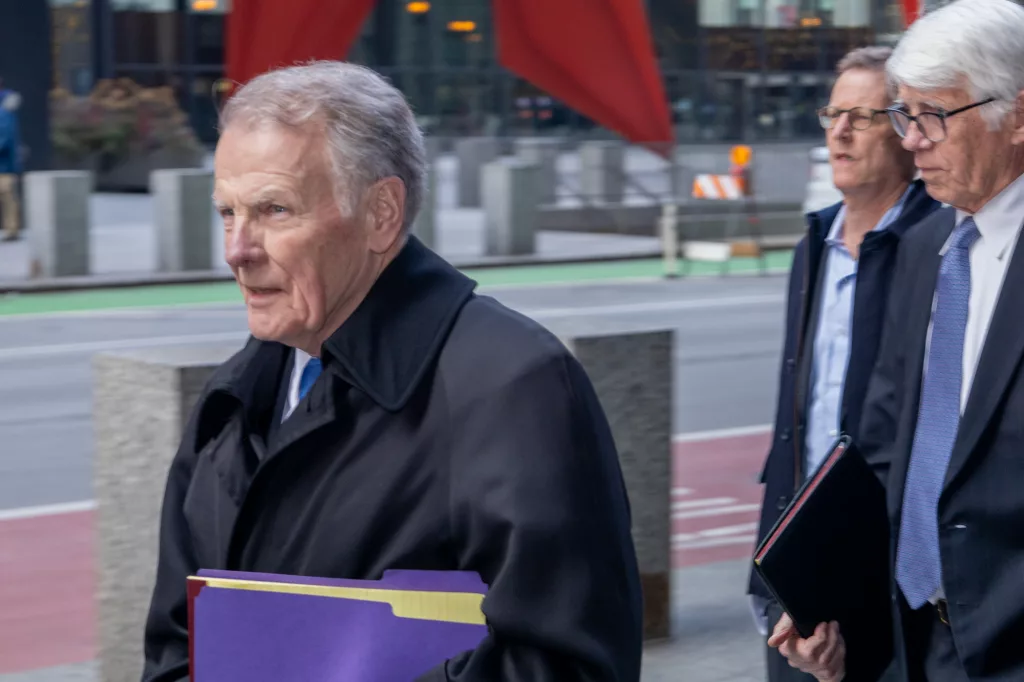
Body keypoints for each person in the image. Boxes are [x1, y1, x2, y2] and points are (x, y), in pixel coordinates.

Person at [141, 61, 643, 682]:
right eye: (227, 212)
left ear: (380, 212)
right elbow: (174, 648)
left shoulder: (514, 384)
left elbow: (565, 664)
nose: (237, 250)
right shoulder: (234, 396)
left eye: (273, 210)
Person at [771, 1, 1024, 680]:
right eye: (905, 116)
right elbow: (882, 448)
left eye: (933, 115)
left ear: (1019, 116)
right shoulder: (926, 247)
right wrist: (825, 597)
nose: (912, 140)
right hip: (916, 644)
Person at [749, 45, 940, 682]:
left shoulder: (937, 248)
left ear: (907, 130)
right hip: (797, 553)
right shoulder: (815, 243)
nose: (839, 131)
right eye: (833, 113)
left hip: (883, 566)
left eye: (862, 116)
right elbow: (795, 417)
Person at [0, 85, 22, 242]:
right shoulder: (6, 110)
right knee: (8, 198)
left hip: (4, 165)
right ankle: (11, 229)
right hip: (6, 164)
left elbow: (4, 139)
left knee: (7, 197)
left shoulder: (3, 113)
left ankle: (12, 230)